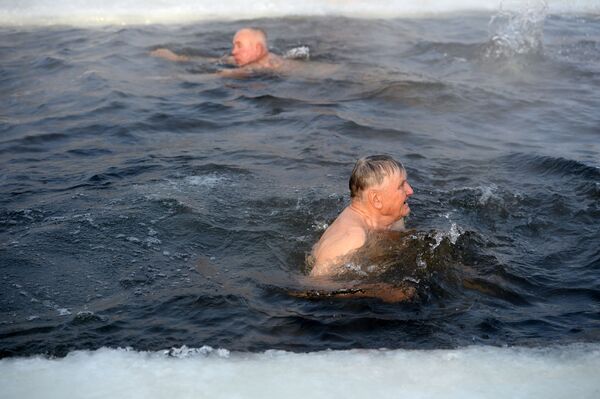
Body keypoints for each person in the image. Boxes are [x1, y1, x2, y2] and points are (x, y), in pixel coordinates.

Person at [310, 155, 414, 277]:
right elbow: (312, 286)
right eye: (401, 185)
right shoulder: (353, 238)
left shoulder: (394, 217)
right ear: (376, 199)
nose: (410, 191)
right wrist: (380, 290)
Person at [150, 28, 286, 77]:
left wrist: (171, 79)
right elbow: (215, 60)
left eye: (239, 46)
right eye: (234, 46)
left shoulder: (263, 66)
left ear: (257, 49)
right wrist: (177, 58)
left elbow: (221, 74)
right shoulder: (252, 60)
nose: (233, 51)